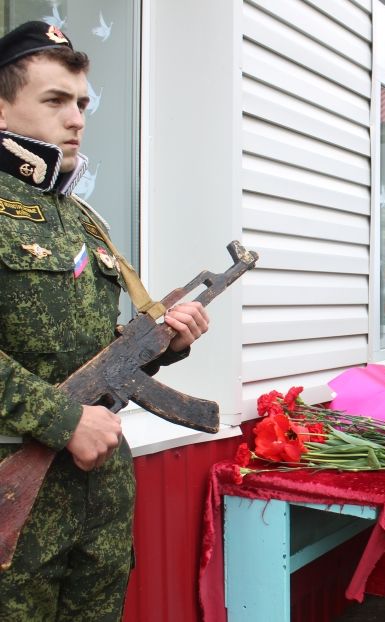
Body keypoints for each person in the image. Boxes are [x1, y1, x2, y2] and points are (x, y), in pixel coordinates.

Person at [0, 22, 209, 620]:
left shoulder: (82, 219)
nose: (76, 119)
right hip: (18, 488)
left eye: (82, 103)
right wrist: (64, 420)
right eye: (55, 101)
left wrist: (159, 343)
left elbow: (95, 350)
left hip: (100, 495)